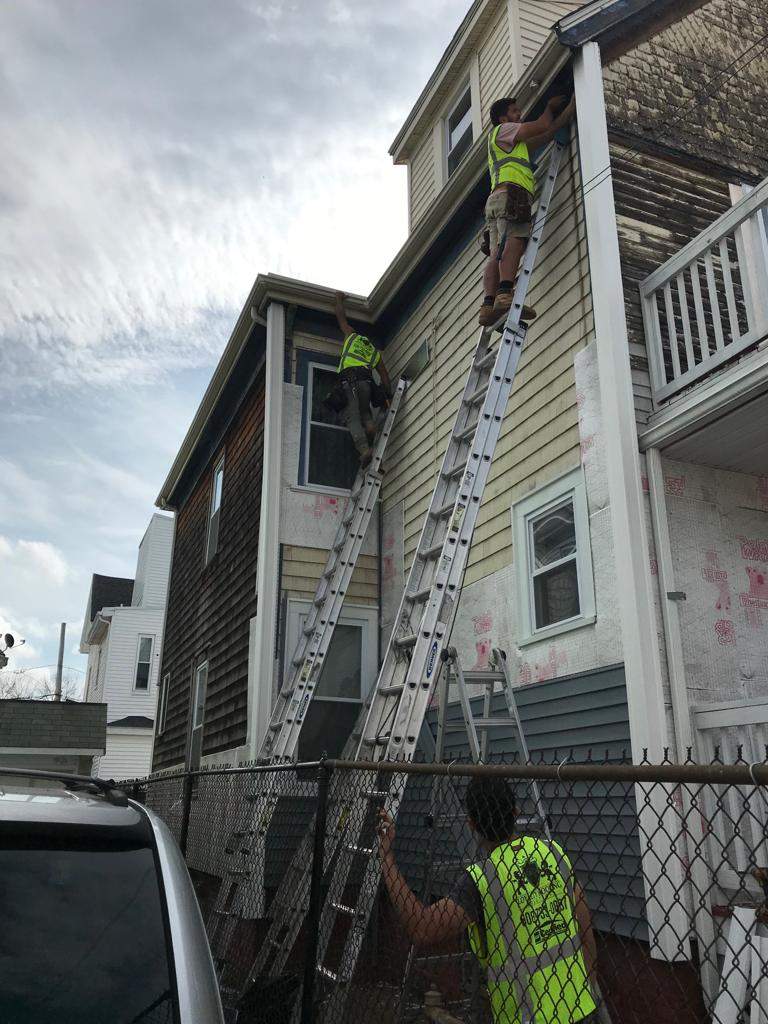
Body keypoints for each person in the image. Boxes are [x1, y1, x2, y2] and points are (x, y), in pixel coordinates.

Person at [378, 775, 598, 1024]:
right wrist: (583, 991)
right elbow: (585, 929)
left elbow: (421, 927)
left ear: (471, 824)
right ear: (515, 812)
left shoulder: (481, 880)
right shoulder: (553, 852)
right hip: (580, 1008)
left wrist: (386, 855)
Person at [479, 94, 576, 328]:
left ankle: (488, 306)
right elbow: (543, 124)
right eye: (514, 111)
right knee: (516, 240)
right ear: (503, 118)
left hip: (498, 199)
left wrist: (571, 107)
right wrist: (550, 106)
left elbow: (548, 132)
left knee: (495, 253)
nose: (519, 115)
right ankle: (504, 295)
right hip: (511, 194)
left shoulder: (514, 144)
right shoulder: (503, 130)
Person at [333, 290, 393, 468]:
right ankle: (371, 429)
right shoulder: (374, 352)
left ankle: (364, 450)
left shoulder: (351, 336)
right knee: (364, 413)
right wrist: (387, 396)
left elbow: (340, 316)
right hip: (366, 385)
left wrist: (338, 299)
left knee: (352, 417)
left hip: (349, 382)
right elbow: (384, 375)